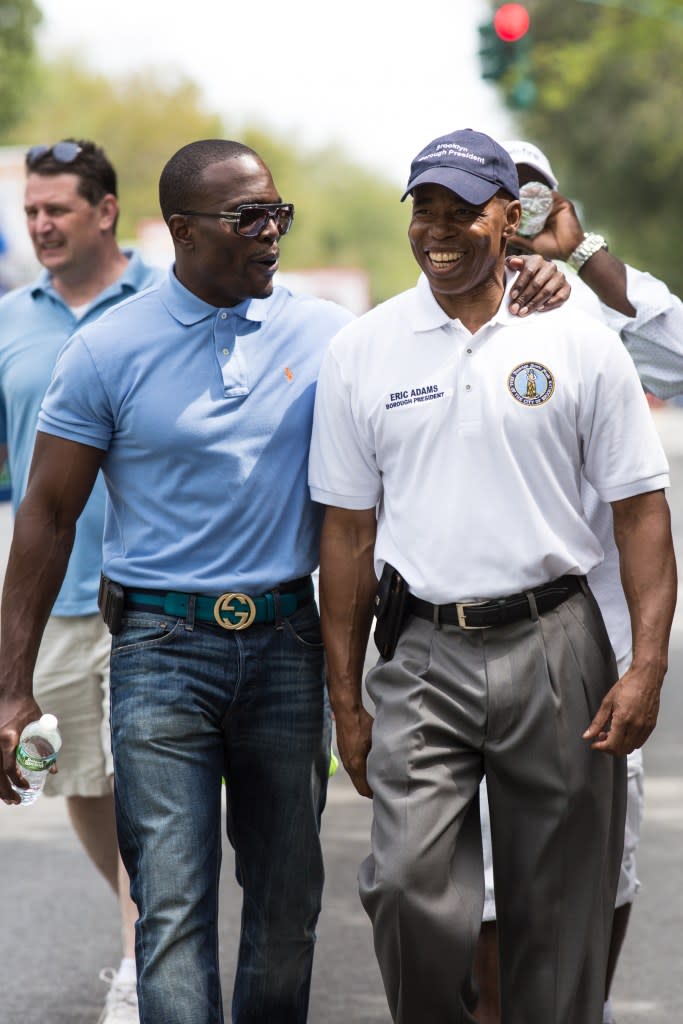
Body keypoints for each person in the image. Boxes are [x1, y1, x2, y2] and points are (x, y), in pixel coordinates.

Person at [0, 134, 575, 1024]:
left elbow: (443, 333)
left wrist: (540, 279)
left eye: (279, 214)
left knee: (286, 908)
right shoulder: (108, 351)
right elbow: (44, 518)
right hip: (158, 652)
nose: (271, 233)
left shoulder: (330, 339)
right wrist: (12, 691)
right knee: (174, 907)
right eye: (248, 218)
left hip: (283, 649)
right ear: (184, 232)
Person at [308, 128, 677, 1024]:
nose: (437, 228)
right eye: (422, 209)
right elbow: (348, 534)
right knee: (405, 884)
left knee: (561, 906)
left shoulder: (582, 338)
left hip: (560, 644)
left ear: (510, 218)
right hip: (423, 645)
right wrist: (345, 697)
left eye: (462, 210)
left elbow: (639, 511)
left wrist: (645, 665)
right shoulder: (366, 348)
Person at [473, 139, 683, 1024]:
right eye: (497, 198)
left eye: (531, 196)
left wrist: (587, 255)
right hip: (468, 642)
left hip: (589, 641)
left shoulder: (600, 322)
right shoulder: (435, 319)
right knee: (482, 878)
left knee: (605, 862)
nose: (515, 215)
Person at [0, 138, 163, 1024]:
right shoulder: (9, 321)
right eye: (31, 211)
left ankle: (147, 958)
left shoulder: (169, 302)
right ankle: (151, 925)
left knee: (145, 778)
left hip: (150, 590)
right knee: (83, 782)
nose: (40, 225)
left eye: (56, 209)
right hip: (53, 601)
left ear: (104, 211)